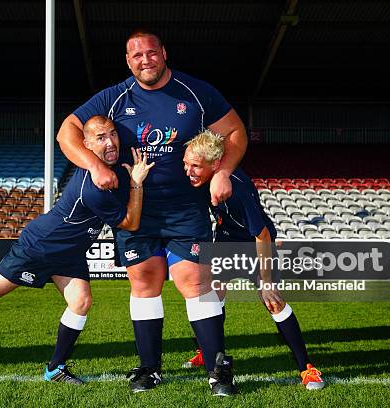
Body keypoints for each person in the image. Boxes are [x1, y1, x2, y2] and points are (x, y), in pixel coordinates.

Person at [56, 29, 247, 396]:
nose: (146, 60)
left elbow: (236, 131)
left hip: (185, 209)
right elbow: (68, 132)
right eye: (137, 56)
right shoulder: (114, 98)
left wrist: (222, 171)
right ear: (129, 62)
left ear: (164, 53)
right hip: (135, 209)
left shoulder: (195, 92)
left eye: (151, 53)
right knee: (144, 284)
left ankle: (218, 372)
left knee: (195, 282)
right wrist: (94, 167)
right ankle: (149, 369)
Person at [0, 116, 154, 385]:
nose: (110, 142)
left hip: (70, 252)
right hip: (42, 246)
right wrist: (137, 183)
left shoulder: (109, 169)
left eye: (113, 134)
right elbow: (130, 223)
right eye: (100, 137)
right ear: (86, 145)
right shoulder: (92, 188)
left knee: (81, 301)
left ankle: (55, 368)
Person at [182, 129, 326, 390]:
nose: (188, 171)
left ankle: (307, 368)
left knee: (272, 300)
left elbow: (261, 236)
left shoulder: (237, 188)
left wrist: (267, 280)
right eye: (186, 164)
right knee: (209, 293)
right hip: (226, 240)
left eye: (194, 165)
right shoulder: (200, 182)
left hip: (256, 243)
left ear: (215, 165)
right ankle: (209, 352)